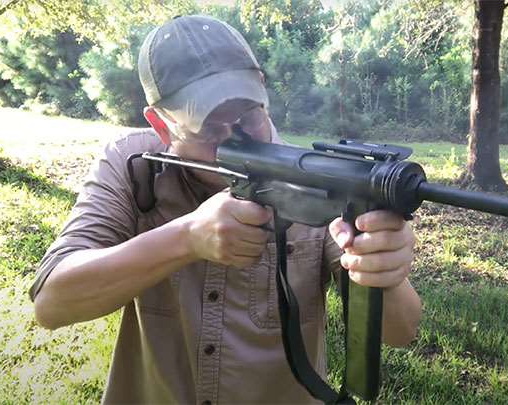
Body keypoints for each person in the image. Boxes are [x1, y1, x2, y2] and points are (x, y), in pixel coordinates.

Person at [30, 14, 421, 404]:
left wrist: (383, 269)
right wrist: (185, 238)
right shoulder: (131, 162)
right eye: (209, 127)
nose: (235, 138)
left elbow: (400, 332)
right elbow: (52, 303)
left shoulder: (312, 177)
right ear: (161, 125)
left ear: (262, 89)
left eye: (247, 114)